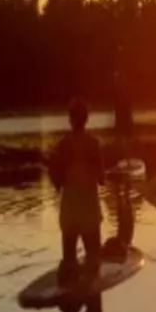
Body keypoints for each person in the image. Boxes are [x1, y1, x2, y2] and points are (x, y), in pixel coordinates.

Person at [49, 98, 105, 281]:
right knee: (93, 260)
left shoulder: (62, 145)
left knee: (69, 261)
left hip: (70, 212)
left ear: (70, 120)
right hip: (89, 211)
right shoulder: (93, 144)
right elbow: (101, 179)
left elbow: (57, 183)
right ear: (86, 119)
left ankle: (69, 282)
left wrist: (50, 166)